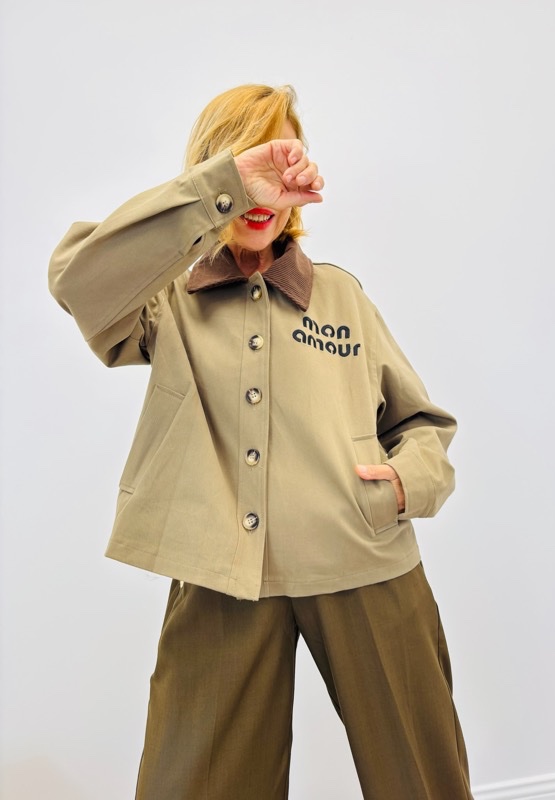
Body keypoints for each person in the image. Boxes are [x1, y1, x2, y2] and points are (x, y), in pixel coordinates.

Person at [49, 83, 473, 800]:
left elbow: (420, 425)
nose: (259, 188)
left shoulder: (341, 296)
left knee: (421, 778)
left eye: (276, 159)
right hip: (219, 576)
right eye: (242, 163)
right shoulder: (166, 304)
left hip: (365, 561)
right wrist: (216, 192)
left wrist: (406, 485)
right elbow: (76, 280)